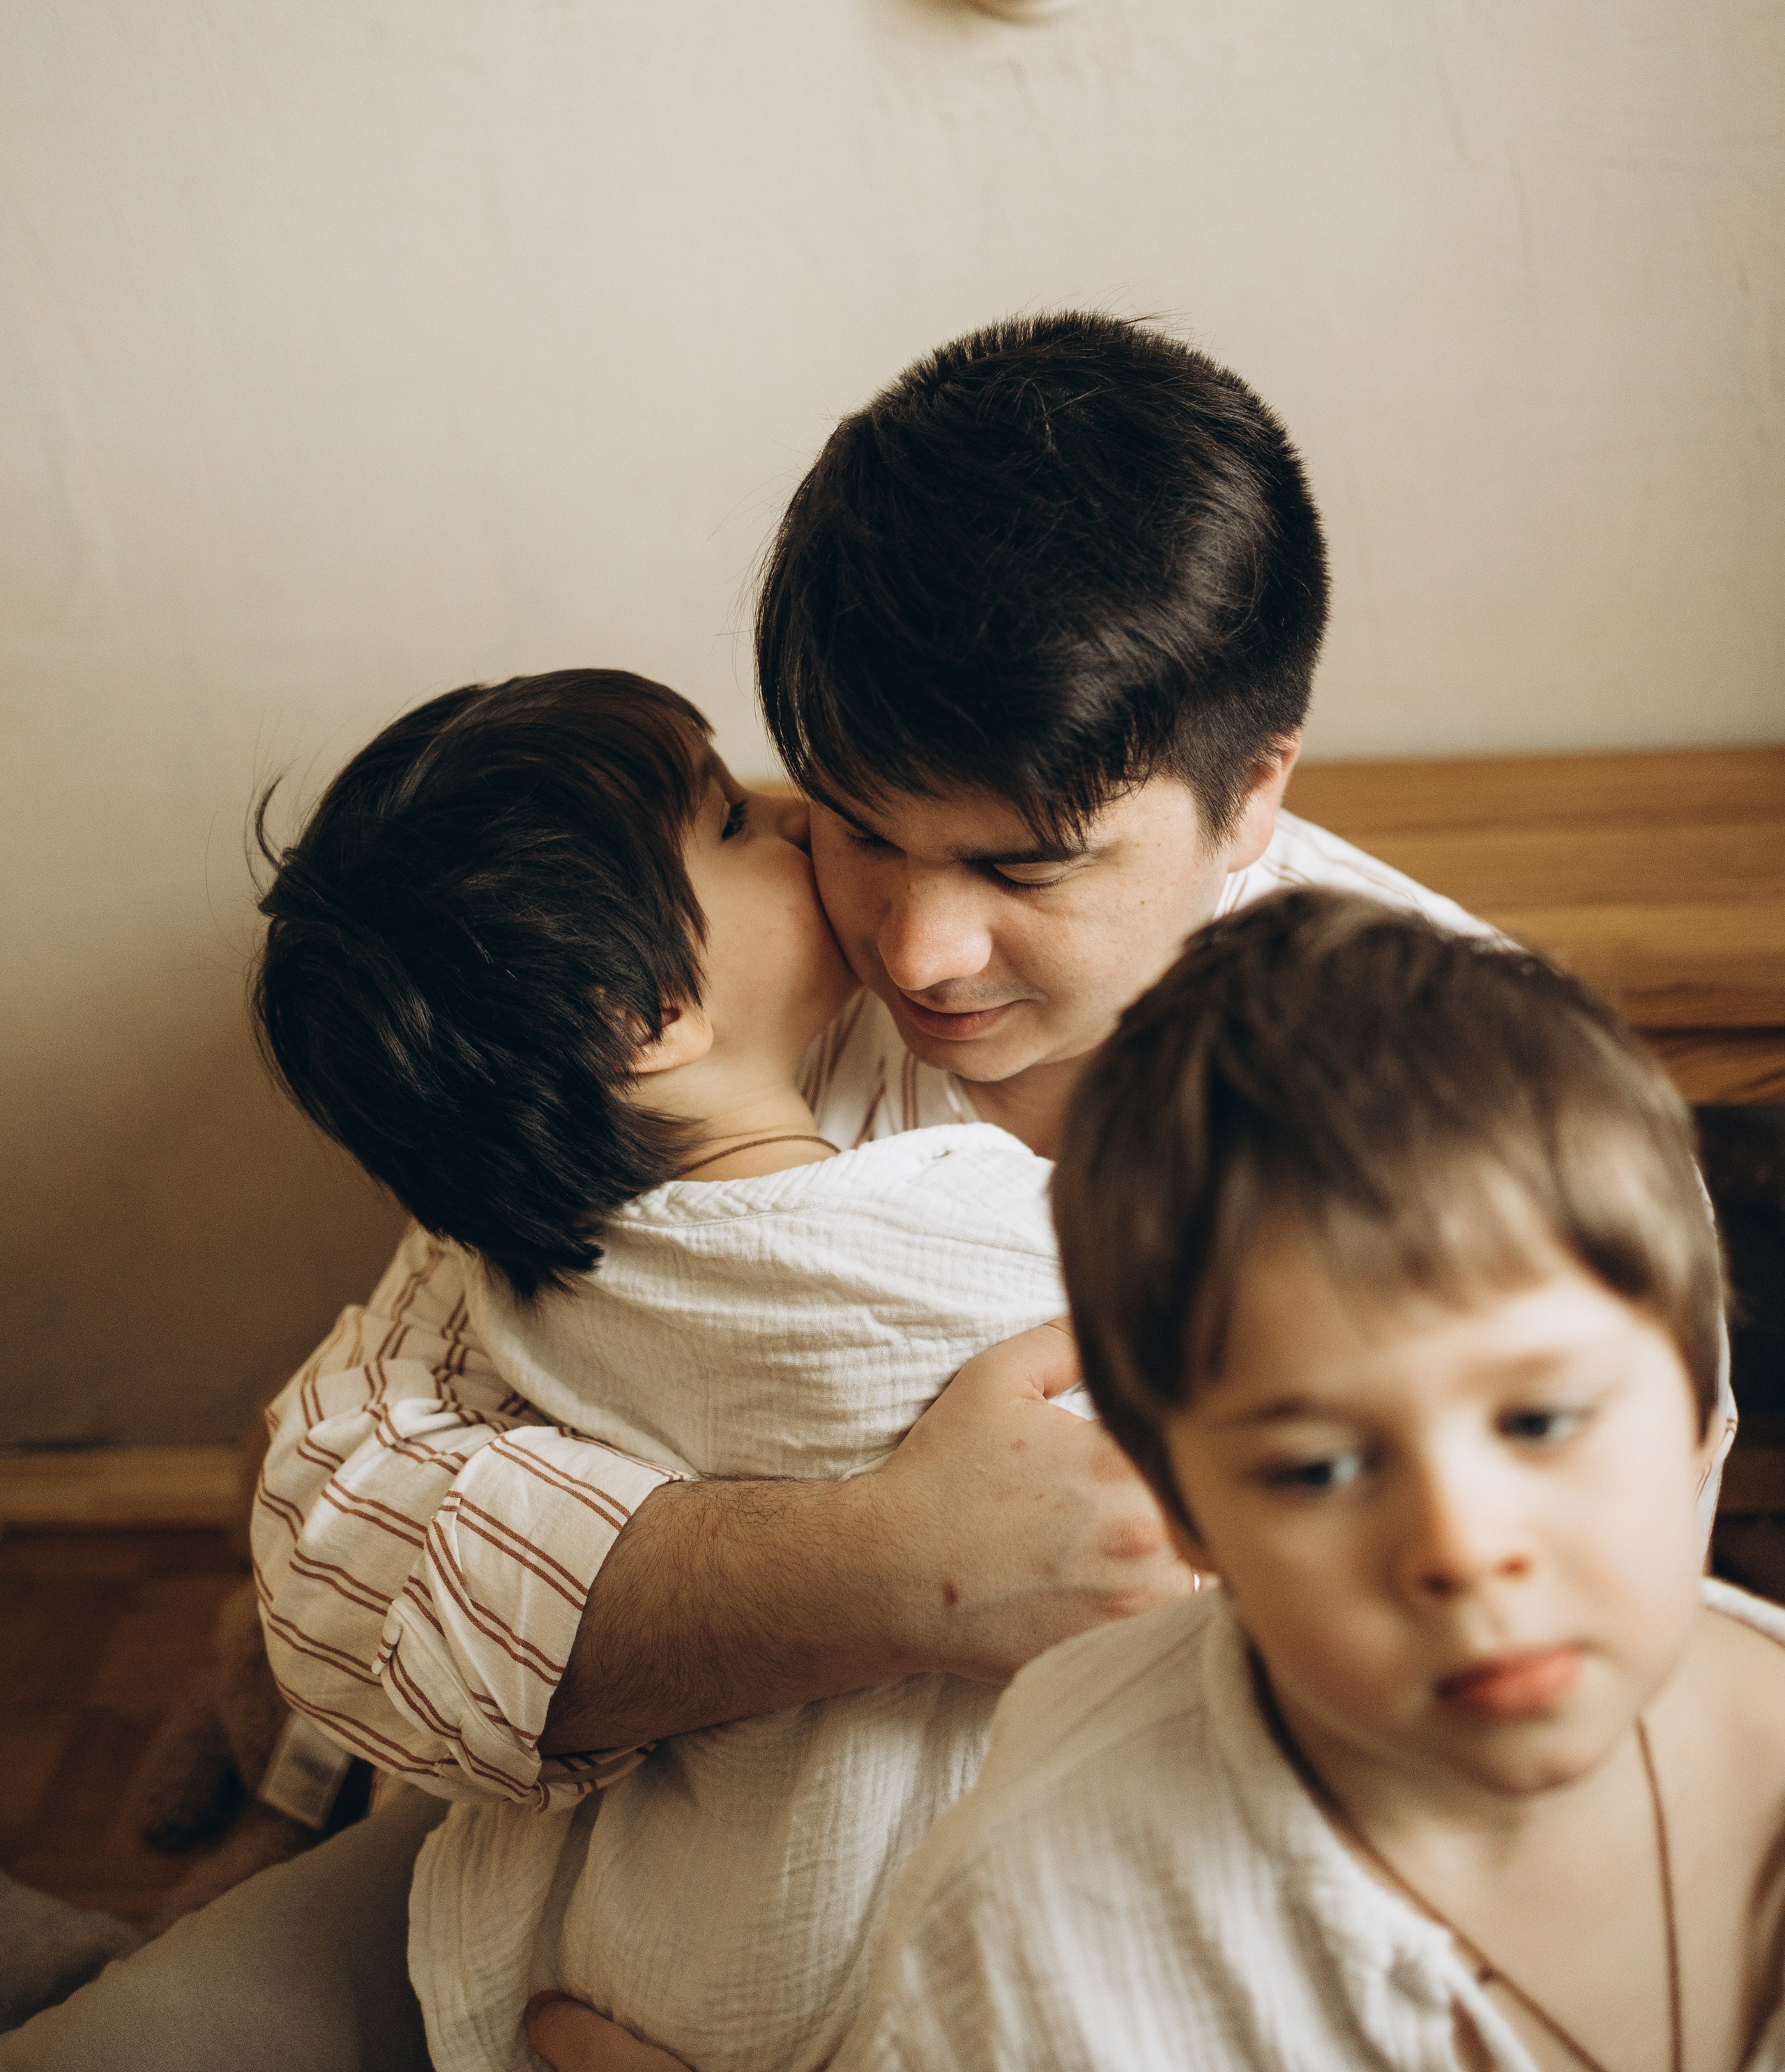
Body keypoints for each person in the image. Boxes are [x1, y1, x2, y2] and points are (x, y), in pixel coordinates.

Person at [0, 316, 1486, 2069]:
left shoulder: (1462, 1098)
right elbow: (333, 1530)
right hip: (641, 1873)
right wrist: (882, 1567)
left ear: (1251, 795)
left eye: (1022, 866)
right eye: (850, 820)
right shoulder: (693, 1047)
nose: (920, 949)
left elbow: (1516, 1639)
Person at [250, 662, 1089, 2072]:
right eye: (727, 825)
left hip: (637, 1949)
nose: (789, 816)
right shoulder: (904, 1239)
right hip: (839, 1951)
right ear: (639, 1013)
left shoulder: (529, 1275)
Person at [817, 892, 1771, 2072]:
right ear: (1181, 1504)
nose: (1462, 1548)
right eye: (1316, 1469)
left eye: (1540, 1419)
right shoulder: (1039, 1925)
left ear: (1695, 1406)